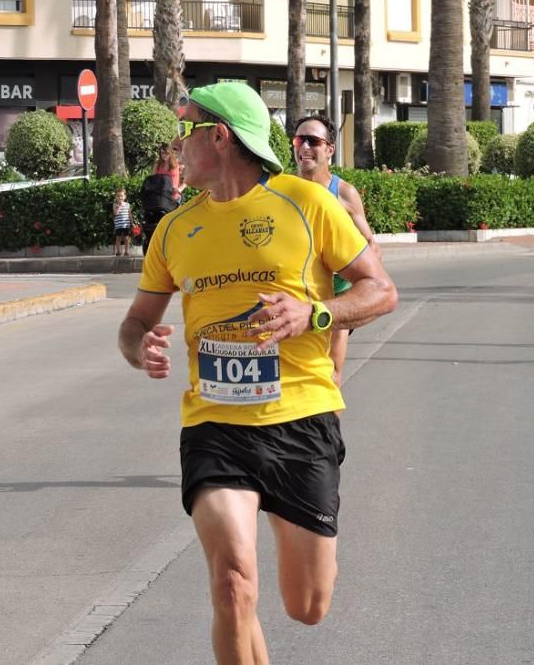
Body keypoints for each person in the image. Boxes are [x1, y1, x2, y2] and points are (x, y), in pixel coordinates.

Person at [118, 82, 398, 664]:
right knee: (232, 584)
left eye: (187, 128)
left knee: (307, 605)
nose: (177, 143)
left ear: (219, 137)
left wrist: (315, 311)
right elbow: (136, 321)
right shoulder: (174, 229)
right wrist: (139, 345)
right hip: (214, 425)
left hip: (300, 419)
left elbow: (381, 291)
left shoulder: (309, 204)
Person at [293, 113, 379, 387]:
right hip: (296, 290)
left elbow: (369, 242)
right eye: (299, 140)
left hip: (336, 293)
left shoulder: (343, 193)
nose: (304, 147)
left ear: (329, 149)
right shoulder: (284, 189)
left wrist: (363, 288)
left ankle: (330, 427)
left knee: (330, 376)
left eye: (313, 141)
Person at [112, 187, 132, 257]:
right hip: (118, 225)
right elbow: (116, 213)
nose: (120, 197)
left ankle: (127, 252)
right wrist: (119, 206)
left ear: (124, 197)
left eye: (121, 196)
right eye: (118, 196)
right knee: (118, 238)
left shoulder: (127, 205)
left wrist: (132, 222)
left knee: (127, 238)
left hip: (126, 225)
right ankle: (118, 252)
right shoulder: (115, 204)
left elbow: (130, 214)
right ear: (116, 197)